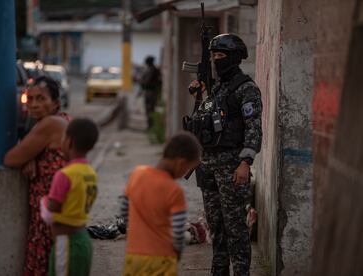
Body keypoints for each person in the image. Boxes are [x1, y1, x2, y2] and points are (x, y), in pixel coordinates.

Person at [187, 34, 262, 276]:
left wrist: (245, 162)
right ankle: (218, 271)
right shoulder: (217, 88)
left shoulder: (246, 88)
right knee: (215, 225)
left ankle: (241, 272)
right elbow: (208, 119)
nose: (216, 60)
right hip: (208, 164)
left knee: (235, 227)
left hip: (231, 165)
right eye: (213, 56)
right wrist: (200, 94)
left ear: (233, 58)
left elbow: (253, 127)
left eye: (220, 56)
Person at [4, 76, 71, 276]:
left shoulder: (49, 124)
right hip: (59, 214)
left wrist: (27, 156)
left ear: (56, 103)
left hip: (49, 217)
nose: (34, 105)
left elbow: (10, 159)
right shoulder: (63, 119)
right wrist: (32, 157)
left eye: (41, 99)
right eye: (30, 99)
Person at [119, 132, 202, 276]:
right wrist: (178, 252)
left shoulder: (136, 174)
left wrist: (132, 232)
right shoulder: (174, 190)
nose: (185, 173)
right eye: (187, 168)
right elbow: (178, 233)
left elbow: (124, 210)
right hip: (161, 259)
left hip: (133, 256)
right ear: (181, 163)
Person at [40, 118, 99, 276]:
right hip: (83, 240)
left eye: (63, 138)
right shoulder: (90, 172)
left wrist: (43, 202)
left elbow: (53, 207)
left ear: (69, 142)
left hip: (66, 242)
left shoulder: (65, 175)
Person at [139, 55, 161, 129]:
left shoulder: (152, 70)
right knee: (150, 109)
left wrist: (141, 81)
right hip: (150, 91)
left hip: (150, 92)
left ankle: (151, 125)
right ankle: (150, 125)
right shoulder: (153, 69)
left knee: (150, 109)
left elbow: (146, 82)